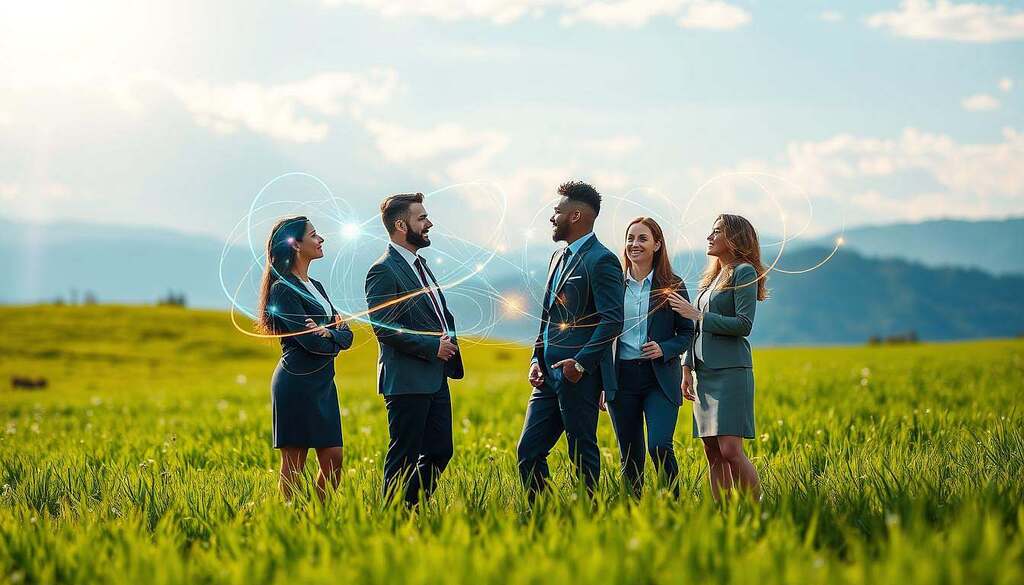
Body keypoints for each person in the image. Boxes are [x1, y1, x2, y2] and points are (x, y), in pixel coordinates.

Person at [517, 180, 624, 498]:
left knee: (582, 452)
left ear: (575, 216)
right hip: (546, 376)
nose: (552, 217)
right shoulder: (556, 258)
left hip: (579, 376)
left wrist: (580, 363)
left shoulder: (602, 260)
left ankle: (587, 517)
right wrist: (536, 358)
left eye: (557, 211)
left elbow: (612, 320)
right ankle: (544, 515)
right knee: (528, 452)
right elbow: (548, 317)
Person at [364, 192, 464, 507]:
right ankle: (392, 517)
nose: (429, 223)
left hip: (435, 376)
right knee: (404, 454)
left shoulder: (419, 264)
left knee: (440, 451)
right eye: (421, 218)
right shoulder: (383, 270)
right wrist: (433, 346)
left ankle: (408, 508)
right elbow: (384, 327)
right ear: (400, 224)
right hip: (407, 378)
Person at [666, 214, 768, 501]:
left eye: (716, 232)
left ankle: (757, 508)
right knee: (712, 452)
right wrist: (687, 367)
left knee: (730, 450)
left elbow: (743, 324)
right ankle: (722, 514)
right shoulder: (712, 277)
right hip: (703, 374)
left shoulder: (744, 272)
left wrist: (698, 314)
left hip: (730, 372)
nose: (709, 237)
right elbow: (695, 329)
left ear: (734, 238)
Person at [256, 216, 354, 501]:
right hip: (296, 383)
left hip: (324, 384)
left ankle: (317, 515)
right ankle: (293, 518)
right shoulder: (283, 289)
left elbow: (346, 334)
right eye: (314, 235)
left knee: (334, 460)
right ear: (296, 244)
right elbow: (309, 342)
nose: (321, 239)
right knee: (294, 464)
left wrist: (329, 333)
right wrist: (331, 334)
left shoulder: (317, 286)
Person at [605, 217, 694, 497]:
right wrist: (602, 382)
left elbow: (687, 332)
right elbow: (602, 335)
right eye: (630, 238)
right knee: (630, 456)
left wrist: (665, 348)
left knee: (659, 445)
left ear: (657, 244)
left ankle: (673, 506)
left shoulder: (672, 285)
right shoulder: (613, 285)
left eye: (643, 238)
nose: (635, 244)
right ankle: (633, 513)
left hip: (660, 379)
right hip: (622, 379)